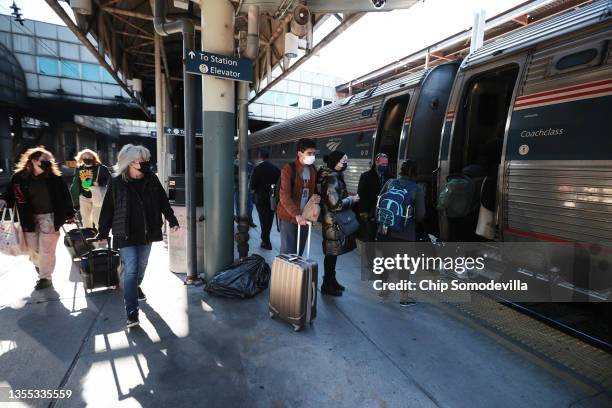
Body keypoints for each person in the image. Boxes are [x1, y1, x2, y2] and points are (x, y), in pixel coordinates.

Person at [97, 144, 179, 328]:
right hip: (125, 233)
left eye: (145, 160)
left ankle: (134, 286)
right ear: (129, 163)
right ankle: (132, 312)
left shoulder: (151, 179)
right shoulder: (117, 182)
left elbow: (162, 201)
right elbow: (108, 208)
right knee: (132, 269)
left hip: (147, 232)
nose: (144, 164)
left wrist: (172, 219)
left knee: (141, 267)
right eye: (140, 161)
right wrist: (102, 232)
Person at [0, 146, 76, 290]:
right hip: (28, 219)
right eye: (43, 160)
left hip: (50, 218)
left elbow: (65, 196)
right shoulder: (19, 178)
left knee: (46, 250)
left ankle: (45, 278)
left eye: (48, 160)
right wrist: (3, 200)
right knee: (33, 249)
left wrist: (70, 214)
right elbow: (9, 194)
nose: (47, 162)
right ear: (33, 160)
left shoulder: (54, 177)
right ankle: (40, 265)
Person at [376, 160, 425, 306]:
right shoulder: (417, 188)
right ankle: (404, 297)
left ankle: (384, 289)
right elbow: (421, 214)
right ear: (415, 172)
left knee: (386, 260)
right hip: (405, 232)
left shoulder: (390, 183)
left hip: (385, 230)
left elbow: (379, 201)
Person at [318, 151, 359, 296]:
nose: (345, 164)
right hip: (333, 221)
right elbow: (335, 205)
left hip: (333, 221)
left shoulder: (334, 177)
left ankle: (331, 280)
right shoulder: (332, 179)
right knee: (331, 253)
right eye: (343, 161)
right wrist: (351, 200)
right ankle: (326, 285)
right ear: (335, 162)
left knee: (333, 254)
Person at [277, 138, 319, 256]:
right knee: (288, 252)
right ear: (300, 153)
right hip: (289, 216)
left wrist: (315, 198)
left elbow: (313, 191)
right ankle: (285, 274)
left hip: (305, 216)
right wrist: (296, 214)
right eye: (309, 153)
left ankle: (296, 274)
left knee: (299, 252)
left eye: (314, 153)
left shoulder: (312, 170)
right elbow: (284, 196)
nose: (312, 156)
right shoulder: (289, 169)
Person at [70, 148, 111, 229]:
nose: (87, 158)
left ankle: (100, 238)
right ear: (81, 158)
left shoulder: (101, 168)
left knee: (97, 219)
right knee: (85, 220)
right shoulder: (79, 168)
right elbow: (76, 182)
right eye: (84, 157)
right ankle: (88, 237)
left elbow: (109, 180)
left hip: (97, 196)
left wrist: (100, 184)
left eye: (89, 157)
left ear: (93, 158)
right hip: (84, 197)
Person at [250, 150, 280, 250]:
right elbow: (279, 185)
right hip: (272, 197)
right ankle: (265, 238)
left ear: (260, 157)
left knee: (263, 219)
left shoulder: (257, 169)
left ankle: (266, 240)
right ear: (268, 157)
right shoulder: (276, 169)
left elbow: (252, 185)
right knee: (269, 219)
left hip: (260, 198)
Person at [234, 153, 256, 228]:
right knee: (238, 205)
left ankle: (249, 220)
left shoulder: (250, 165)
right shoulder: (234, 165)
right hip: (238, 188)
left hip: (248, 188)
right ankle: (239, 219)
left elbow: (253, 177)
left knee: (249, 205)